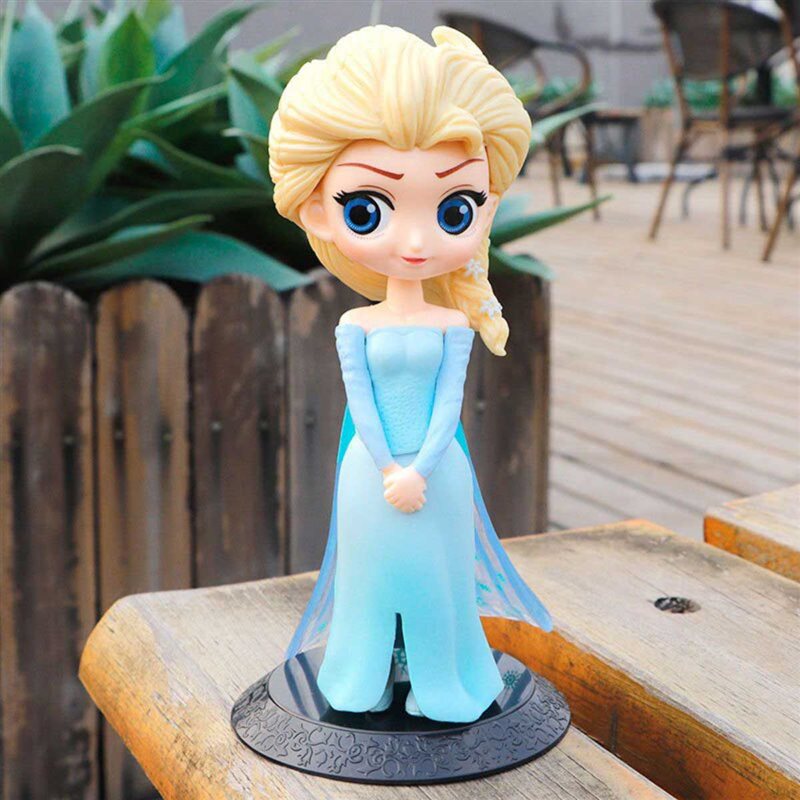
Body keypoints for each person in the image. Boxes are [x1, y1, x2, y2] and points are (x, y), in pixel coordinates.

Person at [268, 24, 552, 724]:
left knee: (437, 577)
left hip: (437, 470)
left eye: (455, 210)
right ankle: (360, 679)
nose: (418, 241)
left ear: (485, 208)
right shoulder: (354, 325)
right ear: (319, 210)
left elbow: (450, 405)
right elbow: (362, 404)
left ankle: (443, 679)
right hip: (371, 470)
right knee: (371, 575)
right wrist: (390, 468)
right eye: (368, 209)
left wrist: (420, 469)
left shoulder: (451, 325)